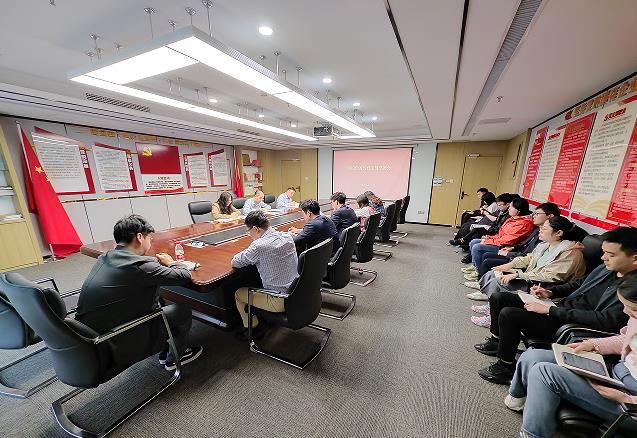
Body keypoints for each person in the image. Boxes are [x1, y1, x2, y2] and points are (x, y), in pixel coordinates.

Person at [474, 226, 637, 385]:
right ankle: (497, 342)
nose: (603, 258)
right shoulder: (607, 268)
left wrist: (550, 310)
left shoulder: (631, 292)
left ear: (635, 258)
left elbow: (605, 320)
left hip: (573, 323)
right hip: (561, 307)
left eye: (611, 254)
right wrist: (551, 292)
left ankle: (505, 367)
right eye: (604, 252)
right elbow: (579, 283)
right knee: (499, 298)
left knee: (509, 314)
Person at [506, 273, 637, 438]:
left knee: (544, 373)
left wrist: (626, 399)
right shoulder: (634, 316)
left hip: (629, 402)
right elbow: (626, 339)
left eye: (633, 310)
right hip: (616, 375)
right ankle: (518, 400)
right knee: (533, 356)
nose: (625, 311)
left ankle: (533, 434)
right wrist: (593, 344)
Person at [76, 215, 202, 371]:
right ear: (140, 237)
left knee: (157, 299)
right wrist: (172, 263)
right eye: (150, 237)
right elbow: (183, 276)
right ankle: (175, 358)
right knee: (182, 311)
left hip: (88, 338)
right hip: (113, 342)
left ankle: (164, 349)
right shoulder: (139, 265)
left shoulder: (105, 257)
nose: (151, 241)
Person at [466, 216, 586, 320]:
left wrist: (519, 275)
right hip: (534, 278)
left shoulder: (570, 253)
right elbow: (529, 258)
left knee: (499, 281)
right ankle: (491, 306)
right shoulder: (545, 245)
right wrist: (509, 265)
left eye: (544, 228)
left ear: (558, 233)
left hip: (546, 286)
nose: (540, 230)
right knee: (494, 273)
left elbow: (551, 276)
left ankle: (492, 314)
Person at [232, 211, 299, 341]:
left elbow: (235, 262)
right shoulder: (286, 236)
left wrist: (248, 250)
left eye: (248, 231)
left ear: (256, 229)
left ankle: (253, 330)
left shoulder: (258, 246)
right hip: (297, 291)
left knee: (239, 294)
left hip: (279, 300)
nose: (248, 234)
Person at [468, 202, 563, 281]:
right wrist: (512, 248)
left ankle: (481, 280)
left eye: (537, 214)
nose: (533, 216)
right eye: (534, 213)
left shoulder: (546, 235)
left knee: (484, 254)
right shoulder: (537, 229)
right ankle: (482, 278)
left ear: (549, 216)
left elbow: (530, 255)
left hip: (521, 258)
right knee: (480, 246)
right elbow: (525, 245)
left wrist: (509, 253)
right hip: (518, 253)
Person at [464, 197, 535, 270]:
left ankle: (479, 270)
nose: (509, 208)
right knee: (473, 242)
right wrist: (489, 237)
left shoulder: (523, 224)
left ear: (518, 210)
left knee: (477, 247)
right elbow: (501, 234)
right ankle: (476, 266)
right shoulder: (512, 219)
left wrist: (488, 241)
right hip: (501, 243)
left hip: (507, 247)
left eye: (511, 207)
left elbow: (507, 241)